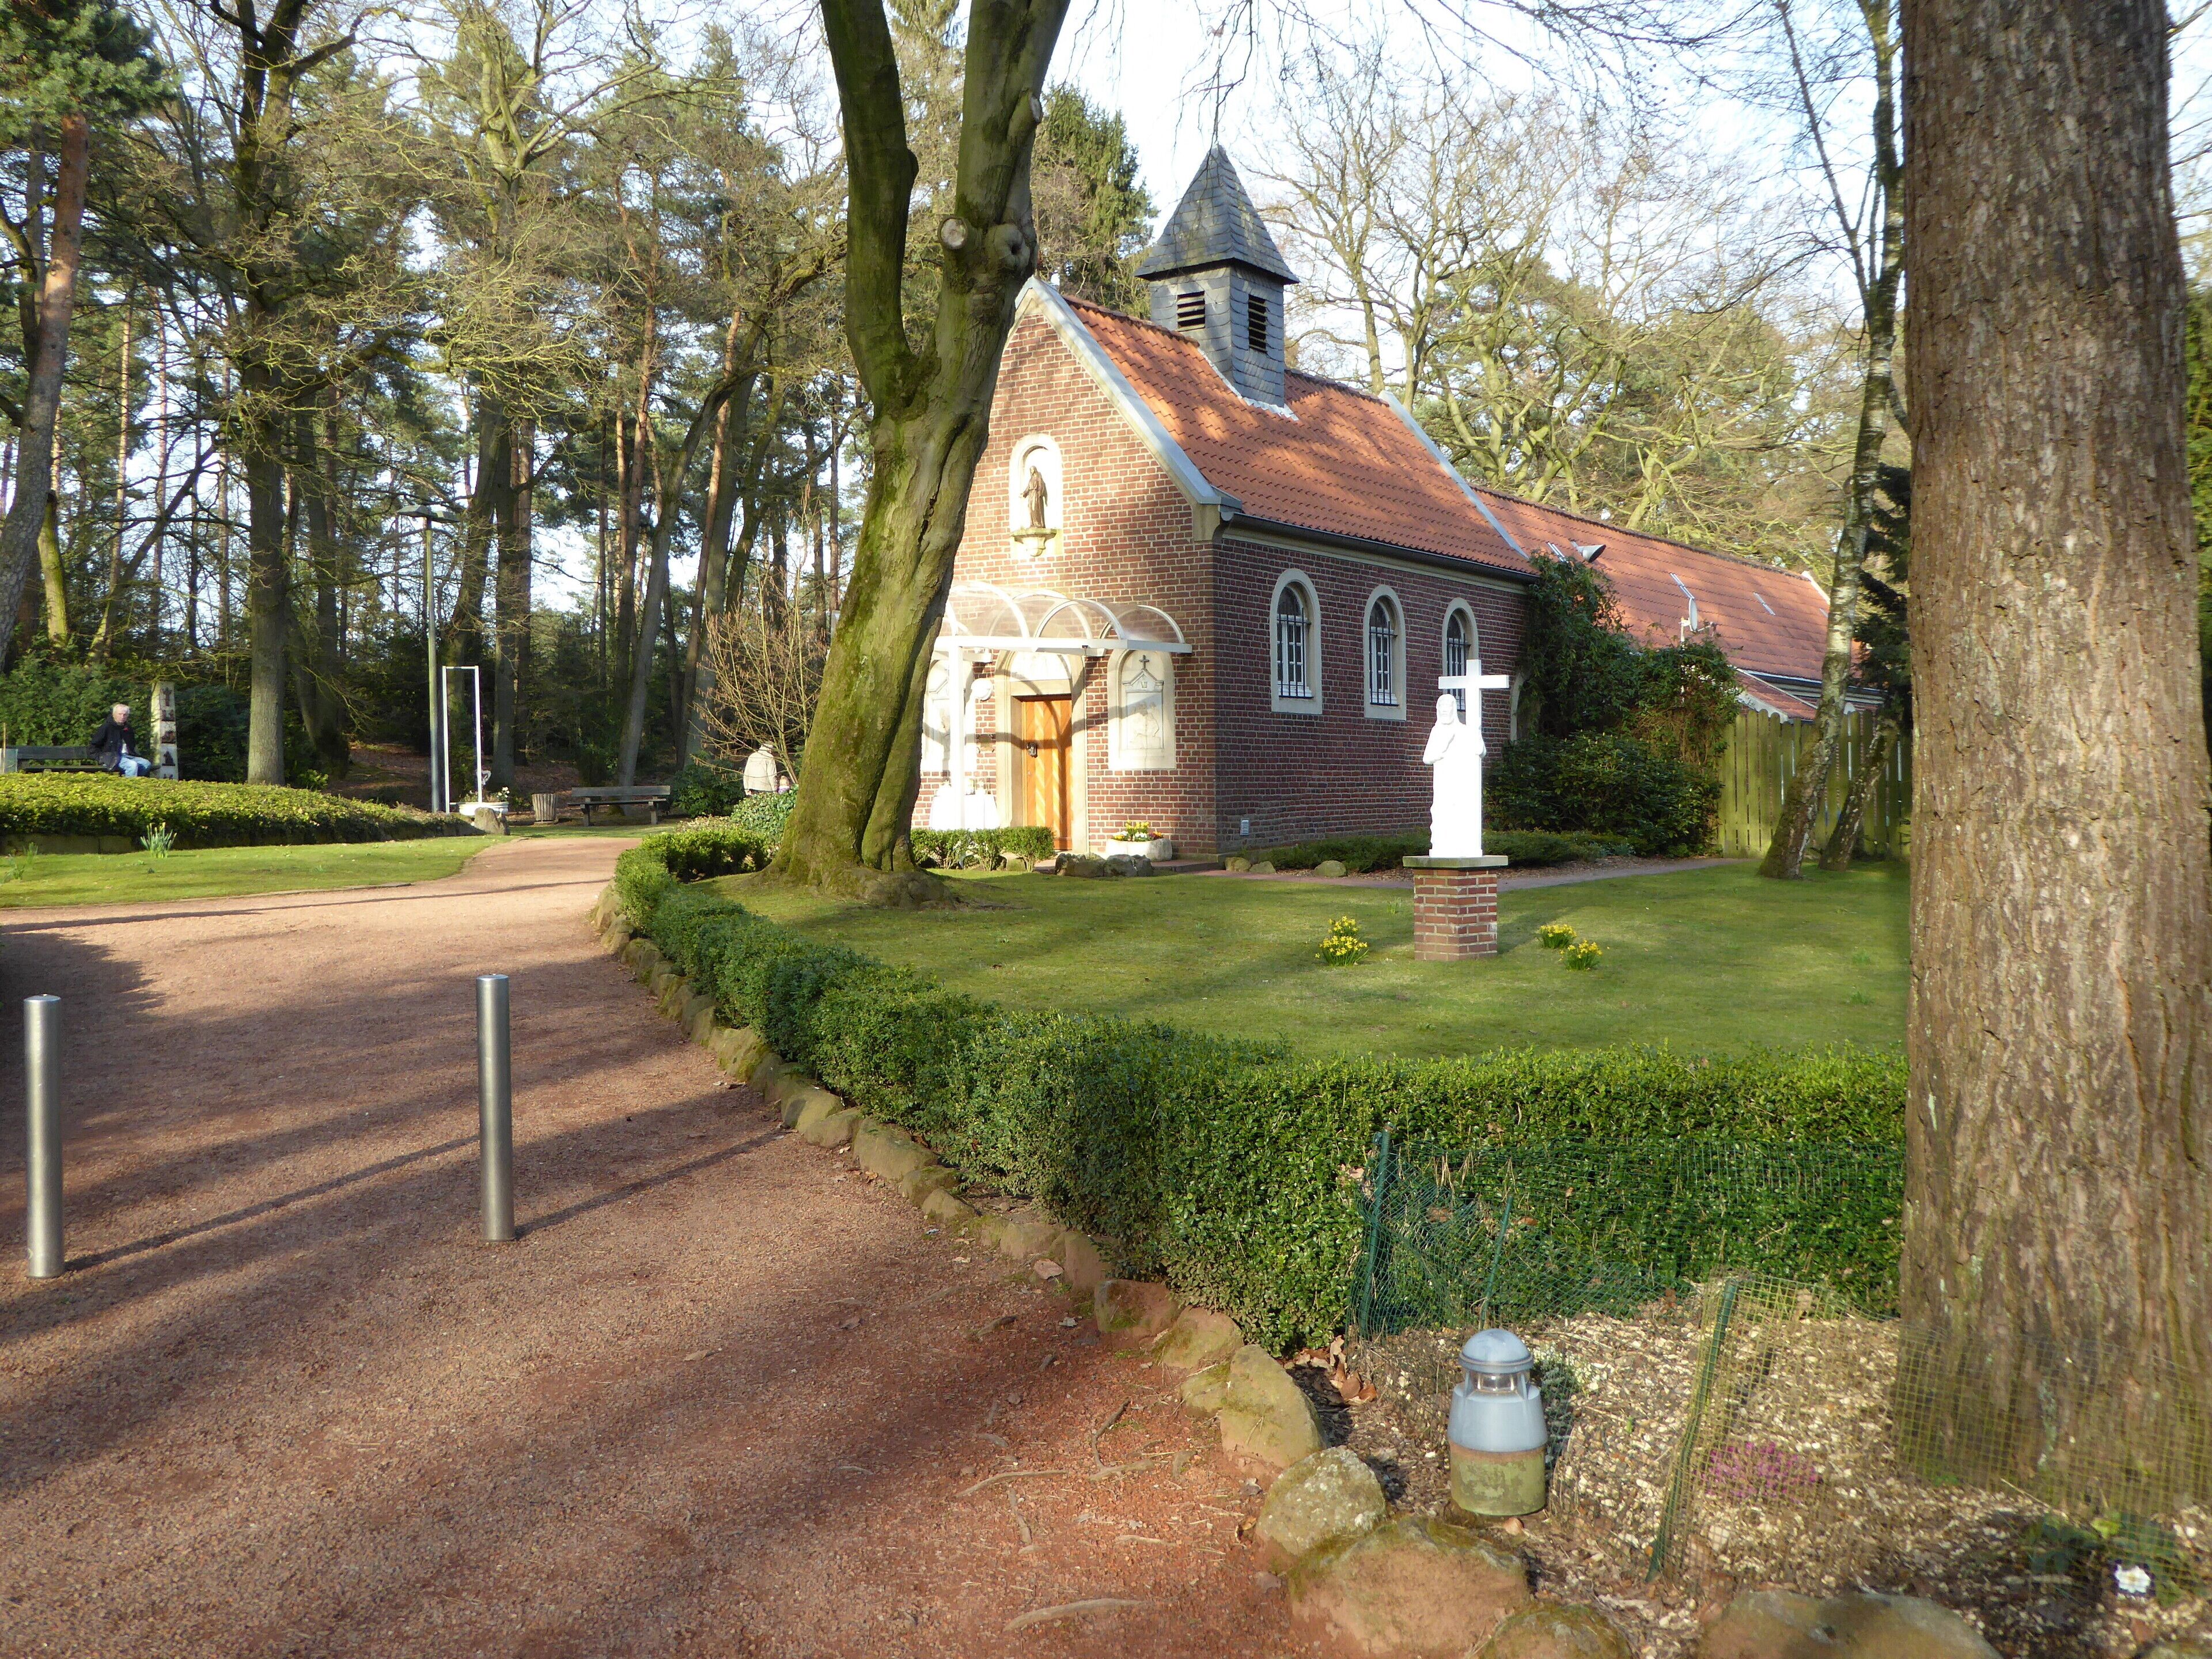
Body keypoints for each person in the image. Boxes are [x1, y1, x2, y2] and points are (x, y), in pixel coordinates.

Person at [90, 703, 154, 777]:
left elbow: (132, 745)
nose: (122, 717)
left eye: (125, 715)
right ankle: (130, 785)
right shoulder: (107, 727)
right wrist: (100, 758)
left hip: (127, 756)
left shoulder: (128, 728)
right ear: (114, 715)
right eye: (120, 714)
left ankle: (131, 778)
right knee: (132, 766)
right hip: (112, 757)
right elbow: (94, 745)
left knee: (146, 764)